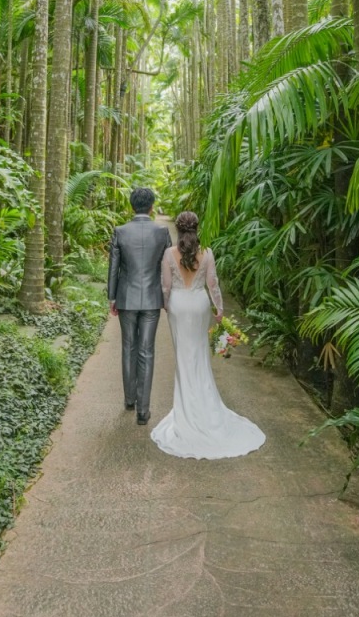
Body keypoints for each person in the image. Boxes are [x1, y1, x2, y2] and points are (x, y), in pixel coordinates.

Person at [151, 211, 266, 460]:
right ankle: (205, 408)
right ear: (196, 228)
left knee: (183, 357)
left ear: (179, 230)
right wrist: (219, 307)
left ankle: (186, 411)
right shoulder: (208, 253)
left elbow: (166, 286)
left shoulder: (169, 254)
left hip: (179, 307)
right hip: (200, 304)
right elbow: (212, 284)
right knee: (199, 355)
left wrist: (166, 304)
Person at [107, 187, 171, 425]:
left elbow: (114, 268)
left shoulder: (120, 231)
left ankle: (130, 400)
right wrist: (167, 298)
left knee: (128, 347)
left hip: (126, 298)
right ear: (151, 206)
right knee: (147, 350)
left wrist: (112, 298)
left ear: (132, 206)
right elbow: (167, 268)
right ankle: (143, 411)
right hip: (152, 299)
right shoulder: (162, 232)